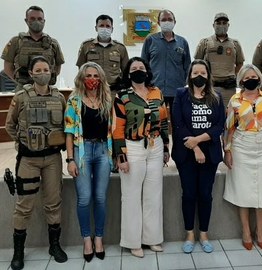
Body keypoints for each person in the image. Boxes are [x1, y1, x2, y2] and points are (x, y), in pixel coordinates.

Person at [5, 56, 68, 270]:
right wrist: (24, 143)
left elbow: (65, 126)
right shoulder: (21, 97)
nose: (44, 73)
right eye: (39, 70)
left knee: (53, 202)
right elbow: (10, 125)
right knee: (24, 207)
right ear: (31, 74)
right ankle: (18, 252)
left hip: (52, 159)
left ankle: (54, 245)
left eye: (46, 69)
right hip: (28, 161)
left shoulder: (59, 97)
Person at [112, 57, 170, 258]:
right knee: (131, 196)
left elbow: (163, 121)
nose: (138, 71)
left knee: (153, 195)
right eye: (134, 68)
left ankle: (152, 239)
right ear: (129, 73)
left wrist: (165, 148)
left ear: (147, 71)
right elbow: (117, 128)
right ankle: (133, 241)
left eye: (141, 68)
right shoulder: (122, 96)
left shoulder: (157, 92)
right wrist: (121, 156)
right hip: (132, 147)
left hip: (155, 147)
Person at [223, 64, 262, 251]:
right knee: (244, 190)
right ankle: (246, 231)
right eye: (246, 78)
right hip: (241, 145)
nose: (250, 80)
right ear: (241, 81)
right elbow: (229, 127)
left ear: (260, 79)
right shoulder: (235, 100)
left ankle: (261, 232)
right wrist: (228, 150)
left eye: (253, 77)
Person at [172, 59, 225, 254]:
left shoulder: (217, 97)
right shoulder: (181, 94)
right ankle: (189, 234)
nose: (199, 76)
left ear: (208, 75)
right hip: (186, 154)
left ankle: (203, 233)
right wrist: (195, 147)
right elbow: (177, 124)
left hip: (209, 154)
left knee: (205, 195)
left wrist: (199, 140)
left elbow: (219, 125)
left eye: (203, 72)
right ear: (190, 75)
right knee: (189, 194)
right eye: (195, 73)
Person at [64, 62, 113, 262]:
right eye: (88, 75)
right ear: (82, 78)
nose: (92, 79)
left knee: (100, 198)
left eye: (95, 75)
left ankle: (99, 238)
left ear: (101, 78)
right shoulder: (74, 101)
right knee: (84, 198)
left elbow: (114, 130)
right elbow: (68, 132)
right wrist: (70, 160)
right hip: (81, 152)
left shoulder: (107, 100)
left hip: (102, 152)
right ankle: (86, 239)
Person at [141, 9, 191, 120]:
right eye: (163, 19)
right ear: (158, 22)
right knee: (155, 121)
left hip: (177, 91)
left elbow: (188, 67)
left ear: (174, 22)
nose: (167, 22)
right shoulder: (150, 40)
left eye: (170, 19)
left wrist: (188, 88)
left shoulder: (182, 42)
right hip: (154, 90)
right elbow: (143, 65)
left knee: (178, 122)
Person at [1, 6, 64, 91]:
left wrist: (44, 80)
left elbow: (58, 67)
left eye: (39, 19)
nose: (36, 21)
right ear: (26, 21)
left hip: (46, 90)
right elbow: (7, 68)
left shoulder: (53, 43)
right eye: (32, 18)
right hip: (23, 90)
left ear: (44, 21)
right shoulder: (16, 41)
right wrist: (19, 82)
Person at [194, 12, 245, 106]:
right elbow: (197, 63)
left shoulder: (235, 43)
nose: (221, 25)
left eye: (224, 23)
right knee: (210, 112)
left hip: (228, 88)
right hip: (210, 87)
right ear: (213, 25)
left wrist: (232, 73)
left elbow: (240, 63)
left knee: (229, 114)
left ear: (228, 25)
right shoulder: (205, 42)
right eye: (218, 23)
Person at [76, 14, 129, 92]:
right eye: (101, 26)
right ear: (96, 28)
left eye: (108, 26)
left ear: (112, 29)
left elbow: (126, 70)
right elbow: (81, 69)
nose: (105, 28)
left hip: (113, 91)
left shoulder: (120, 48)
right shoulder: (86, 46)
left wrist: (121, 84)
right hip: (91, 90)